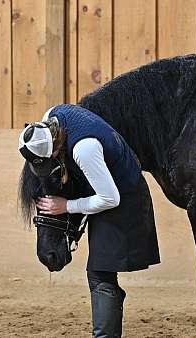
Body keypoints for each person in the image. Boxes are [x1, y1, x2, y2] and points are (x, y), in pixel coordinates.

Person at [18, 104, 160, 337]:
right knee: (100, 273)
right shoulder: (52, 116)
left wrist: (66, 206)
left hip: (124, 197)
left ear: (54, 148)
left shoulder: (84, 149)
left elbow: (110, 198)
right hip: (101, 186)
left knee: (100, 272)